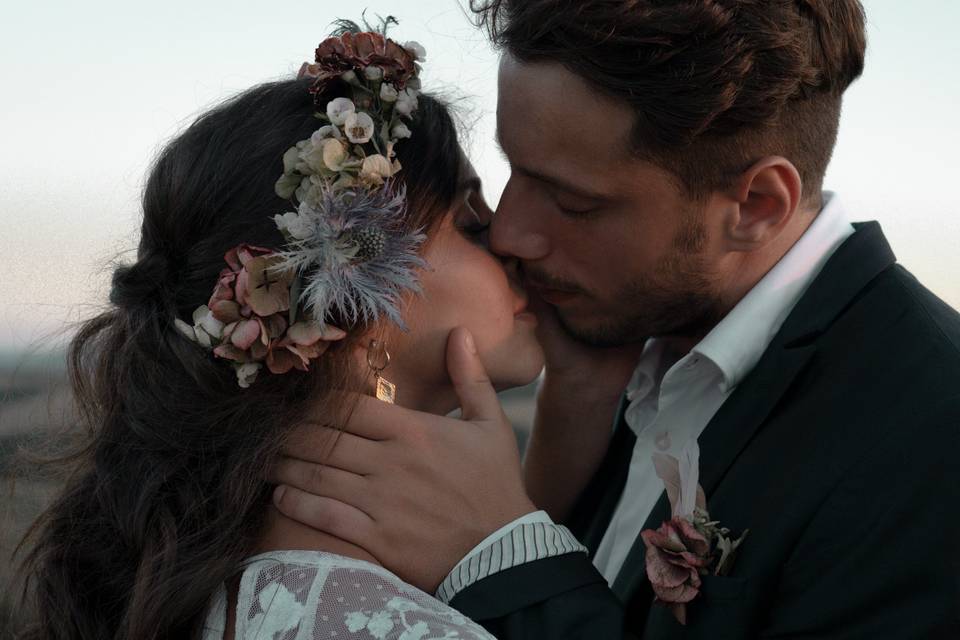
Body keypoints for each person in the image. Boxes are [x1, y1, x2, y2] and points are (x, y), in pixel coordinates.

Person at [268, 1, 960, 638]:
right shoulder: (622, 350)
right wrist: (571, 420)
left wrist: (503, 559)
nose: (508, 233)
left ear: (755, 206)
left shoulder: (930, 437)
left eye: (574, 204)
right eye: (515, 170)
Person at [17, 28, 545, 640]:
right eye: (473, 224)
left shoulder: (200, 589)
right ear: (355, 297)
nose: (513, 244)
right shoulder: (397, 627)